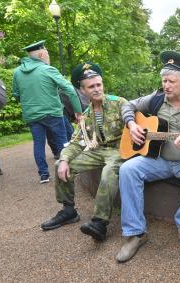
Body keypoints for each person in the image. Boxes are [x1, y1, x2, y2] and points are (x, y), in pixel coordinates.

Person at [115, 51, 180, 263]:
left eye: (171, 81)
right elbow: (127, 105)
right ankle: (135, 233)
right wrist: (132, 124)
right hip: (158, 159)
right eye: (163, 80)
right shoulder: (158, 98)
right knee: (127, 170)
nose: (166, 85)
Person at [40, 62, 128, 242]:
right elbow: (76, 142)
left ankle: (99, 223)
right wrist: (64, 159)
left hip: (119, 149)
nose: (96, 89)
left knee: (109, 172)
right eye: (91, 86)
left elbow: (135, 123)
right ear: (82, 90)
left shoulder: (119, 103)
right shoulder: (85, 115)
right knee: (61, 164)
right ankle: (68, 210)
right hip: (99, 151)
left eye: (99, 85)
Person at [12, 40, 82, 183]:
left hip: (31, 115)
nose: (48, 55)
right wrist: (78, 111)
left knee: (38, 144)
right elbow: (70, 90)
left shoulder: (17, 72)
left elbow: (16, 95)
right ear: (41, 53)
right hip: (52, 113)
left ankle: (44, 175)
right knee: (63, 142)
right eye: (47, 53)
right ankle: (66, 172)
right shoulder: (48, 70)